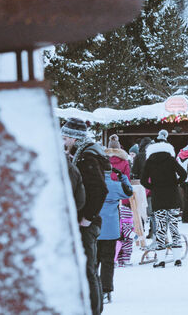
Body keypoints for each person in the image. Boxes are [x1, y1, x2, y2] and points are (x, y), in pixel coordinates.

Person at [61, 118, 108, 315]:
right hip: (84, 219)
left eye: (64, 137)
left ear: (74, 138)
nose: (62, 140)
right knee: (87, 267)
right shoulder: (80, 154)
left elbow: (99, 189)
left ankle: (93, 310)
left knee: (87, 268)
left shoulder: (87, 157)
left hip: (86, 222)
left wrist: (88, 217)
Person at [141, 135, 188, 267]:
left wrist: (154, 187)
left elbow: (143, 181)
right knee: (174, 227)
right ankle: (177, 258)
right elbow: (183, 174)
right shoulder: (171, 159)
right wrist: (175, 183)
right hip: (173, 197)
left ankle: (161, 259)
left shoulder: (149, 161)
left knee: (161, 228)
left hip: (158, 198)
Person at [97, 163, 133, 304]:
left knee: (93, 262)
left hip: (94, 228)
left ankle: (92, 289)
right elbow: (129, 191)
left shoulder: (91, 186)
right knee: (108, 261)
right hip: (111, 230)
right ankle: (106, 290)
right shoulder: (115, 186)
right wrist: (122, 177)